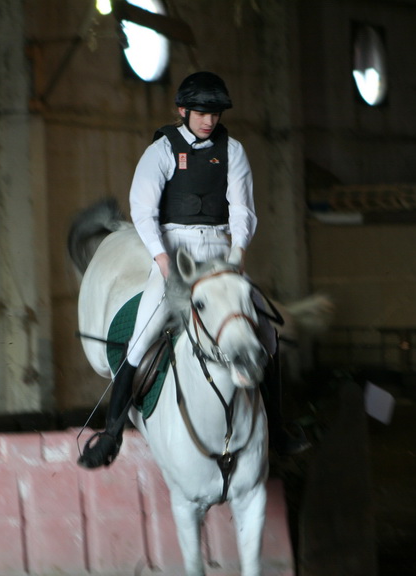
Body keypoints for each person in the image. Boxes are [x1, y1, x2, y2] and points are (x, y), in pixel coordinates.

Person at [78, 71, 301, 469]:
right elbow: (143, 211)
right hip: (175, 251)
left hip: (219, 254)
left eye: (215, 114)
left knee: (267, 333)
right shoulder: (162, 150)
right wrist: (163, 261)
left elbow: (243, 209)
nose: (209, 120)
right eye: (201, 113)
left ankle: (278, 427)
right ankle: (111, 434)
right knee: (141, 337)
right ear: (183, 110)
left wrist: (238, 252)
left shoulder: (233, 151)